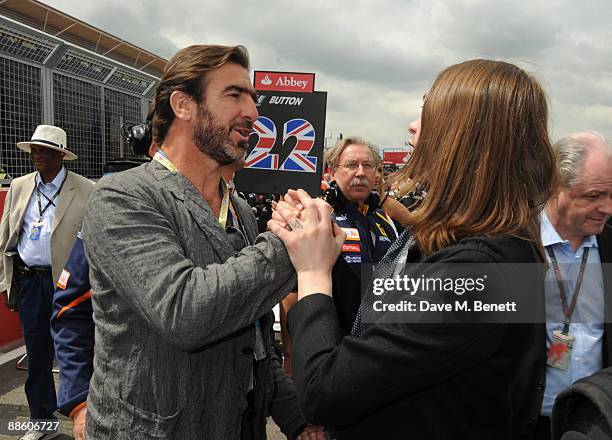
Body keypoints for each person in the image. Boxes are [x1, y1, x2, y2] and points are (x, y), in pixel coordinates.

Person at [269, 59, 557, 439]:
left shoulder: (476, 270)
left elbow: (324, 392)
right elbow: (380, 316)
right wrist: (329, 252)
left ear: (463, 138)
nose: (412, 125)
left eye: (428, 109)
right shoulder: (473, 244)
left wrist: (312, 272)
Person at [80, 45, 319, 439]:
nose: (254, 114)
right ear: (183, 105)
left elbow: (252, 335)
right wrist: (290, 242)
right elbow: (185, 312)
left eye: (254, 99)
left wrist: (297, 418)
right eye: (234, 94)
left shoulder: (239, 210)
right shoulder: (122, 196)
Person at [0, 124, 93, 440]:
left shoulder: (86, 190)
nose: (36, 155)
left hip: (70, 286)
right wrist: (6, 283)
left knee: (78, 351)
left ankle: (86, 416)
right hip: (30, 283)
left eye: (43, 150)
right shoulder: (21, 186)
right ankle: (42, 422)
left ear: (60, 155)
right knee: (38, 356)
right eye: (34, 150)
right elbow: (6, 236)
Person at [535, 131, 612, 440]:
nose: (607, 208)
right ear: (556, 187)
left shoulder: (609, 245)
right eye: (593, 196)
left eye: (611, 195)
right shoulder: (518, 245)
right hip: (530, 423)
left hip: (596, 423)